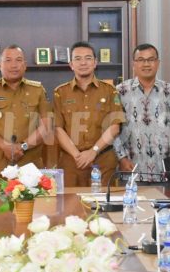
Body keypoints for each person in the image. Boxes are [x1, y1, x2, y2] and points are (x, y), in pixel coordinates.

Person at [53, 41, 124, 186]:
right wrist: (77, 155)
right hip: (72, 162)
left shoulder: (110, 91)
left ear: (95, 62)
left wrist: (93, 151)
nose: (83, 63)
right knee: (70, 205)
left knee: (102, 205)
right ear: (71, 64)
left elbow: (115, 127)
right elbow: (57, 129)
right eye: (77, 59)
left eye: (88, 58)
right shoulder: (60, 93)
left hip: (102, 160)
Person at [0, 45, 52, 177]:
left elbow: (46, 126)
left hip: (30, 168)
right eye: (8, 60)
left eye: (18, 60)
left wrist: (23, 146)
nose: (14, 65)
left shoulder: (38, 90)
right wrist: (4, 146)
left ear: (25, 65)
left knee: (30, 198)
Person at [114, 44, 170, 185]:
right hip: (131, 169)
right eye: (141, 60)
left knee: (164, 207)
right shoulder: (119, 91)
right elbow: (113, 131)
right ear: (134, 64)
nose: (146, 64)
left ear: (158, 63)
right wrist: (121, 158)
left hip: (165, 170)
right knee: (131, 207)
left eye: (151, 59)